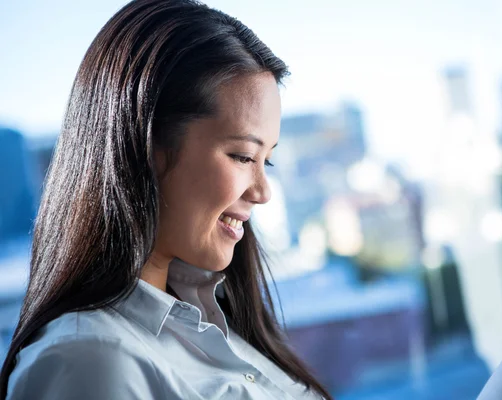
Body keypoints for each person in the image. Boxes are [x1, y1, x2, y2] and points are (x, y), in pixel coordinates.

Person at [0, 0, 333, 399]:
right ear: (145, 147)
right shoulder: (91, 363)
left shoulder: (209, 323)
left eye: (267, 162)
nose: (262, 192)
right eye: (243, 156)